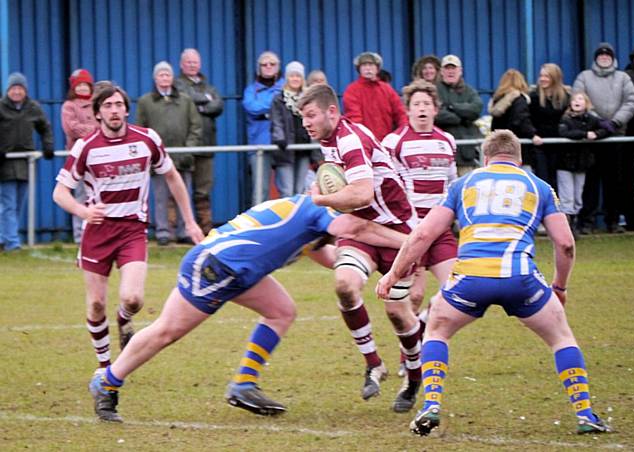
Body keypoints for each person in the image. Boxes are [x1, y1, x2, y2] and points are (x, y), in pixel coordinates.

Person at [87, 194, 409, 422]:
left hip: (236, 268)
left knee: (282, 310)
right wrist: (412, 242)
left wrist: (375, 264)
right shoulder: (318, 207)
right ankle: (107, 382)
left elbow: (336, 258)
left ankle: (243, 384)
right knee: (166, 332)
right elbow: (358, 230)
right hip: (218, 265)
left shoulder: (308, 218)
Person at [377, 129, 612, 437]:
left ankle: (430, 405)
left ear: (484, 159)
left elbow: (422, 235)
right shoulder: (538, 186)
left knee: (437, 329)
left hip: (470, 279)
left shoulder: (463, 184)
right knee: (561, 337)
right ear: (519, 159)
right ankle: (585, 414)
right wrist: (560, 287)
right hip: (521, 279)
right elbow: (565, 244)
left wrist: (393, 275)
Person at [52, 84, 204, 373]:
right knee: (96, 305)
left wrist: (190, 221)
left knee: (133, 299)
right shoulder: (86, 147)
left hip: (132, 229)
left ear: (126, 109)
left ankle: (124, 318)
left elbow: (172, 177)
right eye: (107, 105)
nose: (114, 110)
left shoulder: (147, 139)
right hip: (97, 232)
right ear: (97, 113)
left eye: (119, 104)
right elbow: (60, 192)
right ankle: (104, 367)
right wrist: (84, 210)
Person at [299, 84, 422, 409]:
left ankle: (413, 378)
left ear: (332, 112)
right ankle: (374, 363)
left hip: (397, 230)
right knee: (344, 284)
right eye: (302, 117)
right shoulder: (331, 141)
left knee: (398, 313)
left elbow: (362, 193)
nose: (305, 123)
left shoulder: (349, 139)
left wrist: (322, 200)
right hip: (363, 231)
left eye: (310, 115)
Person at [381, 80, 458, 409]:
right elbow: (392, 189)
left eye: (428, 103)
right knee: (411, 296)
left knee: (457, 290)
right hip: (411, 231)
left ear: (436, 109)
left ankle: (424, 325)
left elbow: (453, 184)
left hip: (440, 229)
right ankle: (409, 359)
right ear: (408, 109)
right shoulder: (394, 142)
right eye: (417, 104)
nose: (422, 109)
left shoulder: (447, 141)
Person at [573, 43, 634, 234]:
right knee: (590, 182)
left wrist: (616, 122)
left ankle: (613, 221)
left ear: (613, 58)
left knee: (614, 182)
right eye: (600, 55)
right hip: (591, 137)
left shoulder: (623, 78)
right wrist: (597, 122)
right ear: (595, 58)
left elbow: (631, 101)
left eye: (607, 55)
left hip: (616, 138)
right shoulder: (584, 77)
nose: (604, 57)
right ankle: (587, 222)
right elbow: (578, 97)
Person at [137, 61, 202, 245]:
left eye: (167, 74)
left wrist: (188, 149)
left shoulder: (185, 100)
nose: (164, 78)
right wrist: (151, 153)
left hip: (183, 158)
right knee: (160, 197)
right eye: (161, 75)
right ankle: (163, 232)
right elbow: (141, 128)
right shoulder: (145, 102)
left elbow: (195, 126)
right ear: (155, 78)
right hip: (158, 159)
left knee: (184, 194)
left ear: (172, 77)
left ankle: (184, 231)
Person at [0, 72, 54, 251]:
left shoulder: (33, 108)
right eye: (13, 88)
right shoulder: (1, 107)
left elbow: (45, 127)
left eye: (20, 88)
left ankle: (4, 237)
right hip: (5, 162)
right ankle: (12, 243)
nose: (16, 92)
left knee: (18, 204)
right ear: (8, 90)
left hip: (25, 163)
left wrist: (48, 146)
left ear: (25, 91)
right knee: (8, 203)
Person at [175, 48, 225, 235]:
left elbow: (218, 104)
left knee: (203, 190)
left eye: (195, 62)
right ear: (182, 64)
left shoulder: (209, 86)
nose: (192, 65)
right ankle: (180, 231)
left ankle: (205, 228)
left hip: (206, 144)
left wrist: (201, 106)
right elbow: (185, 98)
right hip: (186, 145)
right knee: (182, 190)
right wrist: (205, 101)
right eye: (189, 62)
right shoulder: (177, 84)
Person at [557, 92, 610, 236]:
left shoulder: (591, 119)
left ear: (587, 103)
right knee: (567, 196)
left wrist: (597, 134)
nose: (577, 101)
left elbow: (608, 128)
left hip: (582, 163)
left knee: (578, 197)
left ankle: (575, 222)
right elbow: (564, 133)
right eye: (574, 99)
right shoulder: (565, 119)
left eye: (580, 99)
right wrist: (585, 135)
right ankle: (567, 227)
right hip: (565, 164)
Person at [61, 69, 99, 244]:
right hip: (79, 157)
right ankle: (80, 235)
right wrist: (94, 130)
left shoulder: (98, 103)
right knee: (81, 195)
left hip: (100, 154)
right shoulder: (69, 106)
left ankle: (98, 232)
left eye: (86, 85)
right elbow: (71, 128)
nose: (83, 89)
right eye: (79, 85)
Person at [243, 51, 285, 205]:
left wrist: (266, 111)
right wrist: (275, 105)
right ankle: (258, 226)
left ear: (278, 67)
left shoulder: (286, 86)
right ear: (258, 68)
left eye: (272, 64)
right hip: (259, 144)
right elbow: (251, 107)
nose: (268, 67)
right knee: (260, 191)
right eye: (264, 64)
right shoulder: (250, 90)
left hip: (284, 144)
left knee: (287, 190)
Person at [434, 55, 483, 176]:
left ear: (460, 71)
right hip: (441, 155)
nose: (450, 71)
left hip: (466, 154)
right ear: (441, 71)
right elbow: (436, 114)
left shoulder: (469, 91)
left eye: (453, 68)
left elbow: (476, 109)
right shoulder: (434, 90)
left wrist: (451, 107)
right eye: (447, 68)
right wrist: (461, 118)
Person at [343, 51, 407, 141]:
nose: (368, 68)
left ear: (377, 69)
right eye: (364, 65)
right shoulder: (352, 90)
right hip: (364, 142)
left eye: (371, 65)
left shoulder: (387, 89)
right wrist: (363, 139)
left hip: (387, 141)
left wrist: (403, 133)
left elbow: (400, 113)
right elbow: (354, 118)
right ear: (359, 69)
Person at [269, 61, 311, 196]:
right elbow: (276, 122)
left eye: (298, 76)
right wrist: (279, 139)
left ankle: (299, 217)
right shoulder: (279, 99)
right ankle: (287, 217)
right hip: (285, 149)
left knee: (300, 190)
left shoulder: (308, 99)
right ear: (287, 78)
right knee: (287, 191)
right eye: (292, 76)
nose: (295, 79)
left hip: (304, 149)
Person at [529, 63, 571, 189]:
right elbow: (527, 119)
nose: (543, 79)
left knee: (558, 181)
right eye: (541, 76)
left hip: (560, 144)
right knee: (542, 178)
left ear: (555, 78)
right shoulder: (533, 97)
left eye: (547, 76)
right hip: (539, 144)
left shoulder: (565, 97)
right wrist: (532, 134)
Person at [489, 68, 541, 170]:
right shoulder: (519, 99)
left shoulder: (498, 100)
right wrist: (532, 134)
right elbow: (521, 119)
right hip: (519, 148)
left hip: (500, 148)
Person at [624, 44, 634, 230]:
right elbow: (630, 103)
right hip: (632, 137)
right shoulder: (628, 77)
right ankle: (633, 220)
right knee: (631, 180)